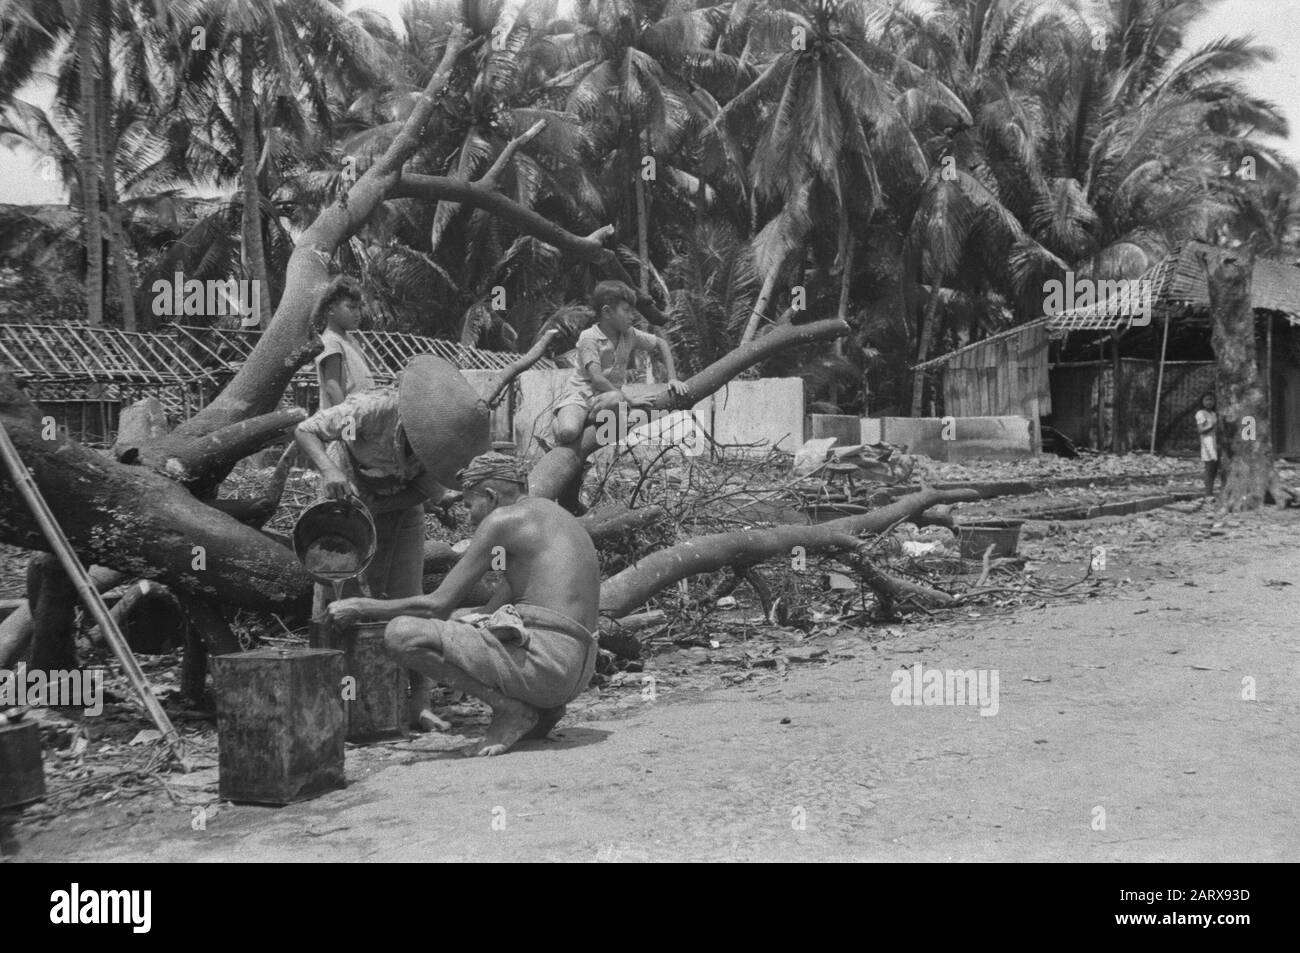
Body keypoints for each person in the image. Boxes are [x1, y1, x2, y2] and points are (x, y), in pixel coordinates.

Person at [325, 452, 600, 757]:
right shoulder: (555, 516)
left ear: (491, 496)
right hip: (577, 668)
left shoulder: (502, 521)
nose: (469, 517)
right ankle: (542, 710)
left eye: (470, 505)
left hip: (549, 664)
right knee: (458, 620)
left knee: (401, 634)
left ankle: (510, 709)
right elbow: (485, 610)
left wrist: (362, 606)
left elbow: (437, 605)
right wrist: (464, 621)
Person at [296, 355, 487, 732]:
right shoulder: (371, 410)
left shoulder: (446, 443)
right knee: (342, 604)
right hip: (347, 508)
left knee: (410, 602)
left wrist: (443, 500)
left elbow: (430, 488)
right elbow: (306, 430)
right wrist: (329, 469)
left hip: (403, 507)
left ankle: (418, 703)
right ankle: (341, 704)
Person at [551, 280, 688, 449]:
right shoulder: (589, 338)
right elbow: (597, 379)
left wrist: (672, 379)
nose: (633, 316)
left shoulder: (629, 334)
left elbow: (661, 343)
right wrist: (629, 399)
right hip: (580, 398)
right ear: (607, 312)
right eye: (627, 311)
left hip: (607, 399)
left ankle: (589, 420)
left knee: (616, 402)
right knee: (568, 432)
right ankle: (562, 422)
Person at [313, 276, 374, 410]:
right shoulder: (331, 342)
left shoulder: (350, 340)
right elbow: (332, 387)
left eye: (359, 308)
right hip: (344, 423)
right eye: (351, 308)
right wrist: (347, 425)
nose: (357, 314)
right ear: (330, 310)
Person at [1195, 391, 1226, 500]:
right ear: (1202, 401)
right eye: (1207, 399)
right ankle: (1208, 494)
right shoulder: (1200, 413)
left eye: (1211, 400)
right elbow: (1201, 430)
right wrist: (1213, 425)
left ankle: (1222, 492)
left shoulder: (1213, 414)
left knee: (1219, 468)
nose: (1209, 402)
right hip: (1207, 443)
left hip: (1216, 442)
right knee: (1209, 469)